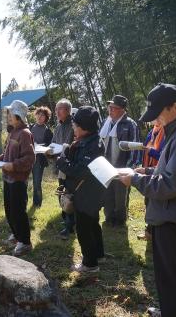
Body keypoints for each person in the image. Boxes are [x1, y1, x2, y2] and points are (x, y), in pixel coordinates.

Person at [119, 83, 176, 317]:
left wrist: (135, 181)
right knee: (167, 276)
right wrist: (146, 173)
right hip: (170, 215)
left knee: (173, 277)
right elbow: (170, 172)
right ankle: (170, 310)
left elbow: (171, 185)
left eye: (158, 112)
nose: (155, 120)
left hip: (175, 219)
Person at [56, 106, 106, 273]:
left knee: (84, 228)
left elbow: (80, 171)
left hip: (86, 194)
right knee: (92, 224)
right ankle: (98, 254)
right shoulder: (86, 141)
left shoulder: (93, 145)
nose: (73, 128)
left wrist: (62, 161)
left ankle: (90, 264)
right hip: (88, 193)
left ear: (85, 128)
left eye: (76, 126)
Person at [0, 100, 35, 256]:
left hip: (18, 179)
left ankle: (25, 242)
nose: (8, 116)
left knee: (18, 211)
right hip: (8, 178)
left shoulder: (25, 134)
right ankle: (16, 235)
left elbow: (29, 159)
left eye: (10, 114)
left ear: (18, 116)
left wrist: (12, 166)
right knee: (9, 209)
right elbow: (9, 153)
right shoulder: (13, 131)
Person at [100, 95, 140, 226]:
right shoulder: (106, 123)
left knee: (120, 195)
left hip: (122, 167)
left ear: (122, 109)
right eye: (109, 107)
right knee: (107, 193)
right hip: (106, 166)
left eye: (113, 108)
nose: (110, 110)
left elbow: (134, 148)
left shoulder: (130, 124)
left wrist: (129, 169)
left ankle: (120, 220)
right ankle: (109, 217)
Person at [48, 99, 75, 239]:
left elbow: (72, 146)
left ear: (68, 111)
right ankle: (66, 220)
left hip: (70, 165)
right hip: (59, 163)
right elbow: (53, 143)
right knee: (61, 191)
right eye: (56, 109)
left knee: (69, 194)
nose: (57, 112)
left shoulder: (74, 125)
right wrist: (48, 151)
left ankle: (70, 225)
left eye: (60, 109)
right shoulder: (58, 126)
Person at [137, 122, 165, 240]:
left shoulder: (166, 132)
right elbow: (144, 147)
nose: (155, 120)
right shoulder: (152, 131)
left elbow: (164, 156)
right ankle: (149, 231)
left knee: (154, 204)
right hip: (147, 170)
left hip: (158, 173)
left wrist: (151, 151)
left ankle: (152, 233)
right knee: (148, 202)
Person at [30, 106, 53, 208]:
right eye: (38, 114)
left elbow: (51, 147)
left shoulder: (48, 131)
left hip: (39, 159)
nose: (40, 116)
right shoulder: (30, 127)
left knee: (37, 183)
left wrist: (45, 149)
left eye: (42, 115)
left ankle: (37, 204)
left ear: (46, 117)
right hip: (28, 158)